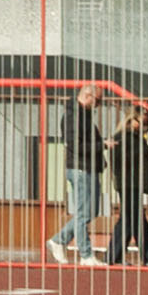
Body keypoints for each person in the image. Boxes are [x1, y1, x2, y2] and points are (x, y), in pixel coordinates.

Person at [43, 91, 103, 264]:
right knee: (84, 213)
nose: (98, 106)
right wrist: (101, 146)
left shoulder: (83, 116)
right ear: (88, 96)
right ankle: (85, 254)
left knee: (90, 212)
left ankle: (58, 240)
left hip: (88, 167)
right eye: (97, 101)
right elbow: (76, 146)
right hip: (80, 169)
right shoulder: (73, 117)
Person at [105, 108, 148, 269]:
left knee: (127, 220)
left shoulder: (137, 138)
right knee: (137, 219)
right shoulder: (123, 137)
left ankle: (114, 255)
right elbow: (126, 159)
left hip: (133, 182)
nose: (143, 124)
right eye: (141, 120)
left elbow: (140, 158)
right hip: (128, 183)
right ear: (131, 120)